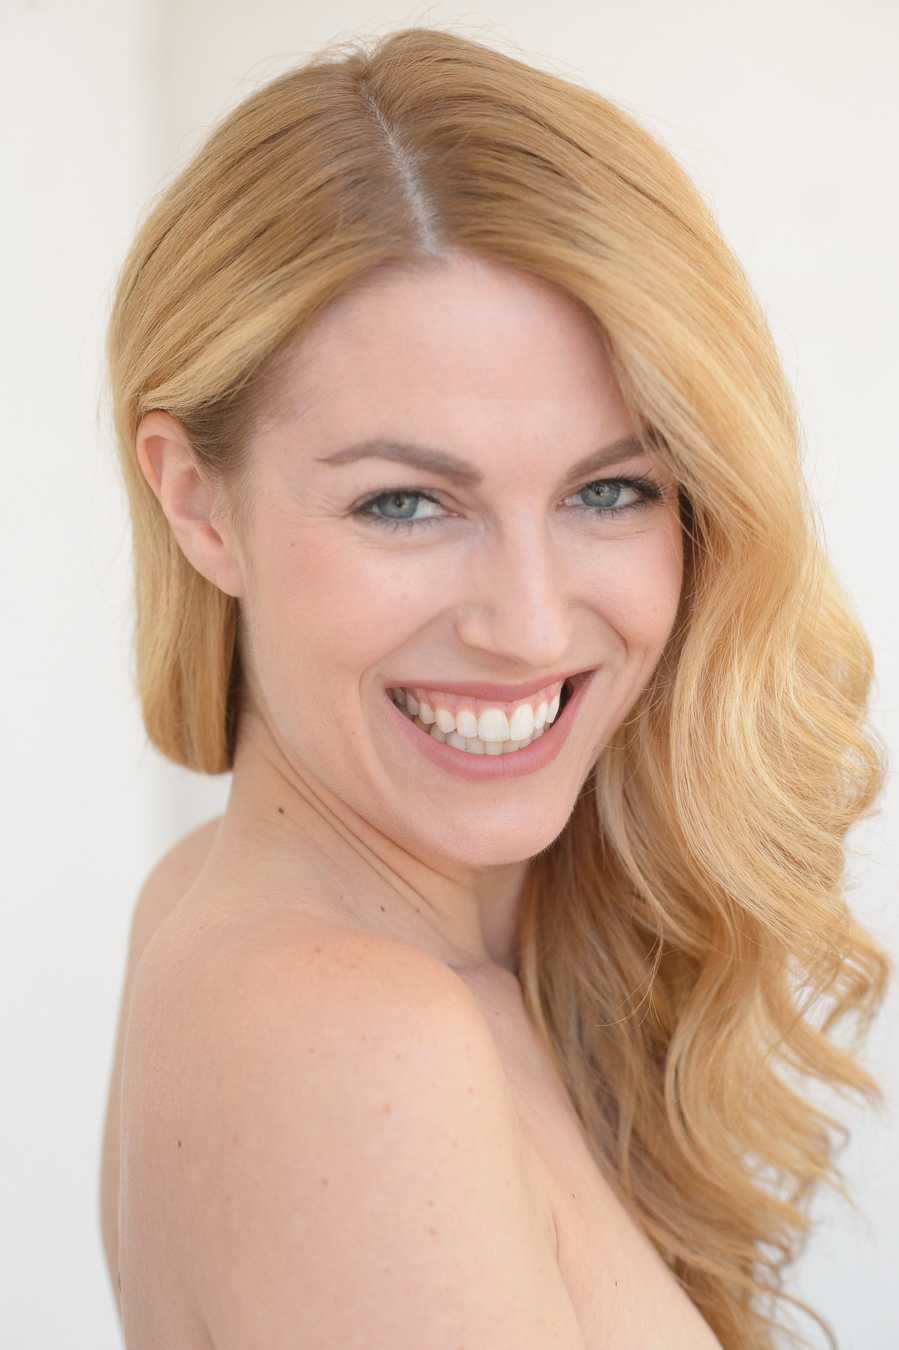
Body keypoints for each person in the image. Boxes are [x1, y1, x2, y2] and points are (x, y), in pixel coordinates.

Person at [100, 28, 888, 1350]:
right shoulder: (354, 1041)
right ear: (198, 502)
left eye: (610, 490)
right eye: (406, 502)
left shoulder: (223, 907)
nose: (528, 628)